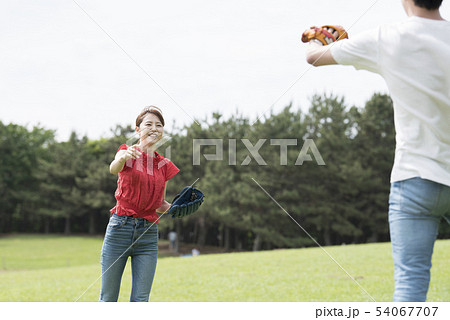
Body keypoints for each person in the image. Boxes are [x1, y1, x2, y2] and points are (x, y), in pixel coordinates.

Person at [303, 0, 450, 302]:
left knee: (411, 280)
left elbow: (313, 58)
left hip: (415, 179)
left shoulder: (387, 38)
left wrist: (328, 41)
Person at [99, 106, 179, 302]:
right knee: (108, 298)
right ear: (137, 129)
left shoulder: (164, 165)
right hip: (120, 229)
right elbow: (113, 168)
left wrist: (176, 209)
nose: (154, 128)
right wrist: (122, 158)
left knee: (141, 300)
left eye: (159, 125)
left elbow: (159, 203)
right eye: (148, 124)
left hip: (148, 235)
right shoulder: (127, 152)